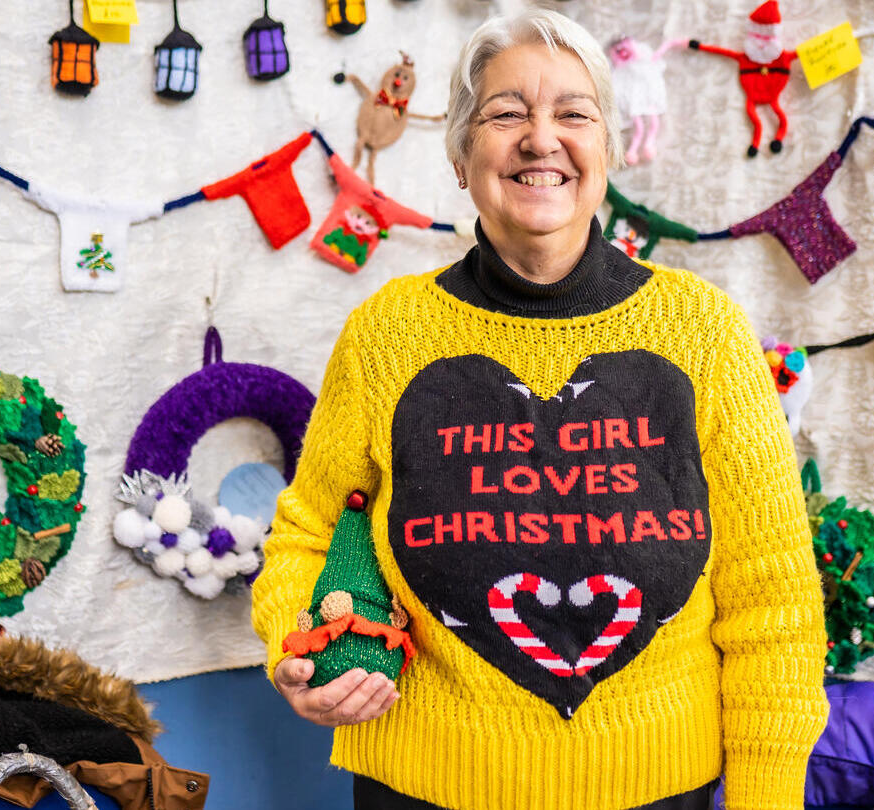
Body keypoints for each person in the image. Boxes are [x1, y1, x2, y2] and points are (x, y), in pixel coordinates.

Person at [252, 9, 828, 810]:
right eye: (506, 113)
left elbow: (772, 596)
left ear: (609, 149)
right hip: (420, 789)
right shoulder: (387, 333)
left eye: (572, 113)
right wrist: (299, 646)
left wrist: (768, 794)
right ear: (461, 155)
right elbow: (308, 531)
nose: (540, 138)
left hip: (660, 791)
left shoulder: (706, 334)